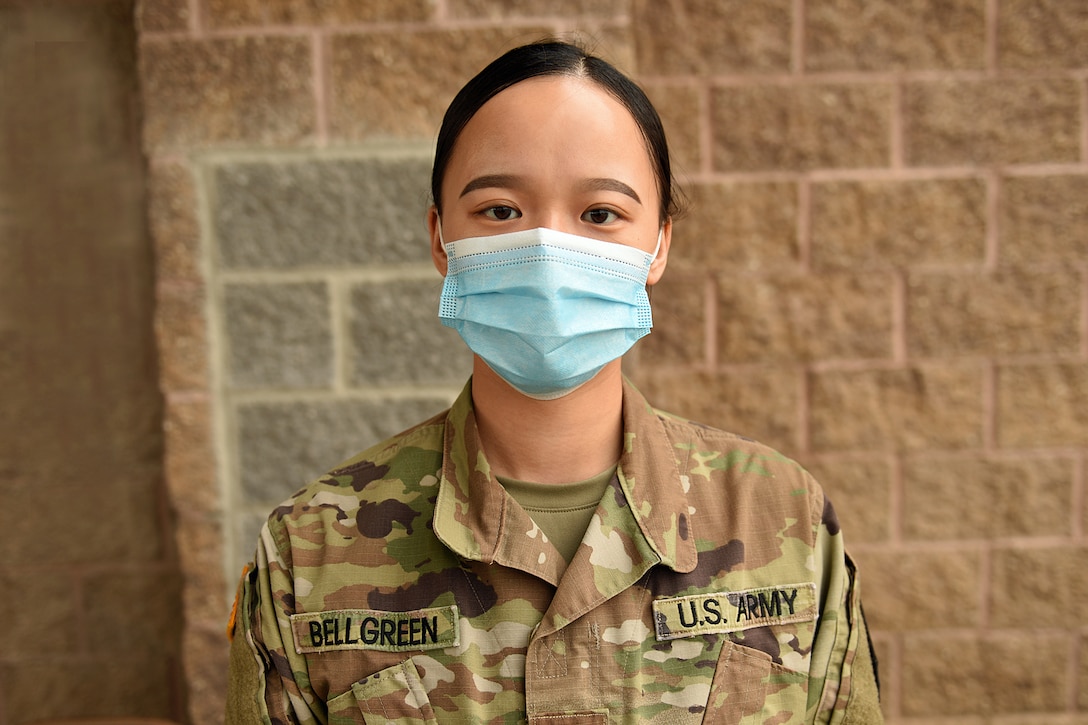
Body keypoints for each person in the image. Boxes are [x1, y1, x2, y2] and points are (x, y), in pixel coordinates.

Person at [226, 39, 883, 724]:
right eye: (501, 211)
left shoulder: (786, 522)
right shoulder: (311, 552)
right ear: (439, 237)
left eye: (600, 214)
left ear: (658, 244)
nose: (546, 249)